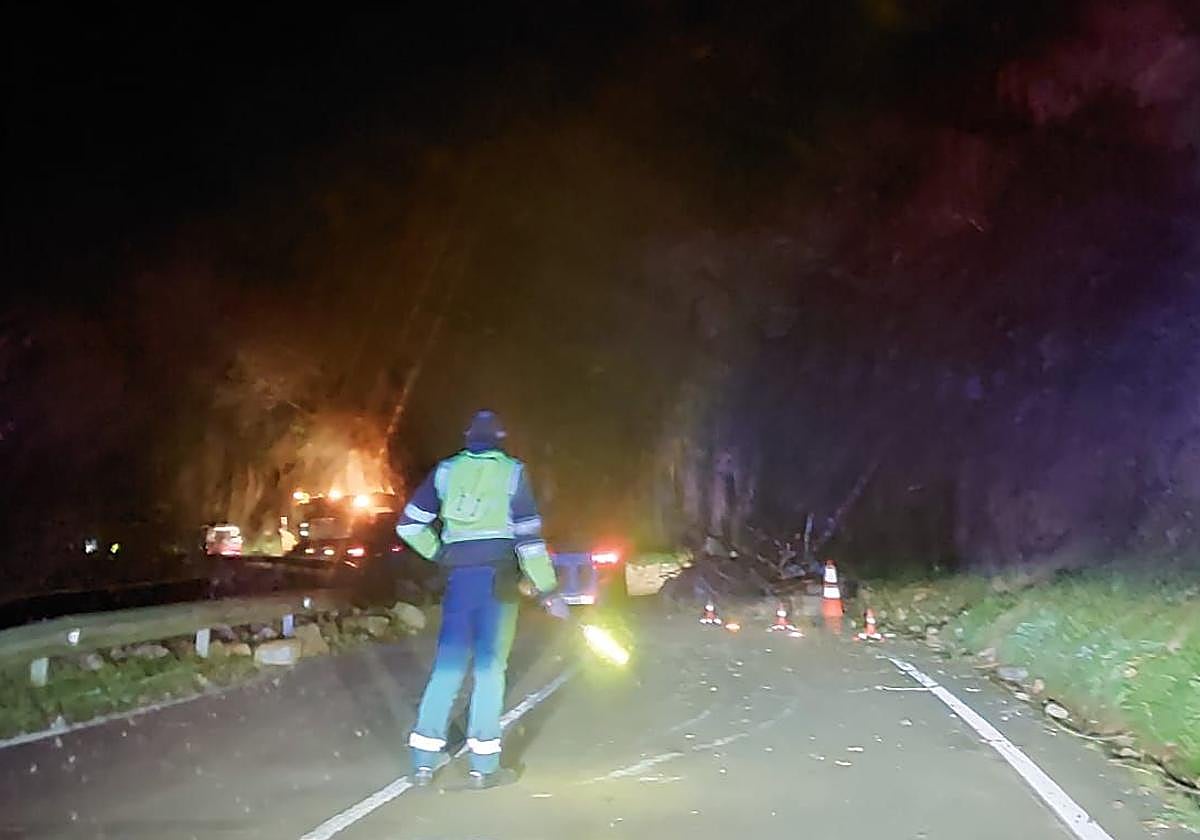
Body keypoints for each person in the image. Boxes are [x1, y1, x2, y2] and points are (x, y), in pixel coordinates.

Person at [395, 410, 566, 790]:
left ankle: (423, 762)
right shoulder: (512, 473)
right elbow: (530, 539)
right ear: (500, 438)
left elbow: (408, 525)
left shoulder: (445, 472)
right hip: (498, 582)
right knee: (490, 670)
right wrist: (548, 589)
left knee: (449, 666)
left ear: (468, 437)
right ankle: (483, 767)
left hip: (459, 581)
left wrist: (440, 553)